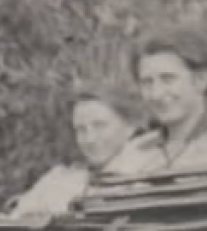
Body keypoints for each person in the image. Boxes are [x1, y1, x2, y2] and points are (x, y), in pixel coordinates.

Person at [9, 88, 152, 216]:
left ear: (130, 127)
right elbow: (12, 226)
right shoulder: (58, 179)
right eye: (81, 130)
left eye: (100, 126)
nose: (90, 139)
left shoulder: (145, 176)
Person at [121, 30, 207, 172]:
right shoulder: (134, 153)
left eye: (168, 79)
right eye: (147, 82)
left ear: (201, 80)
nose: (156, 94)